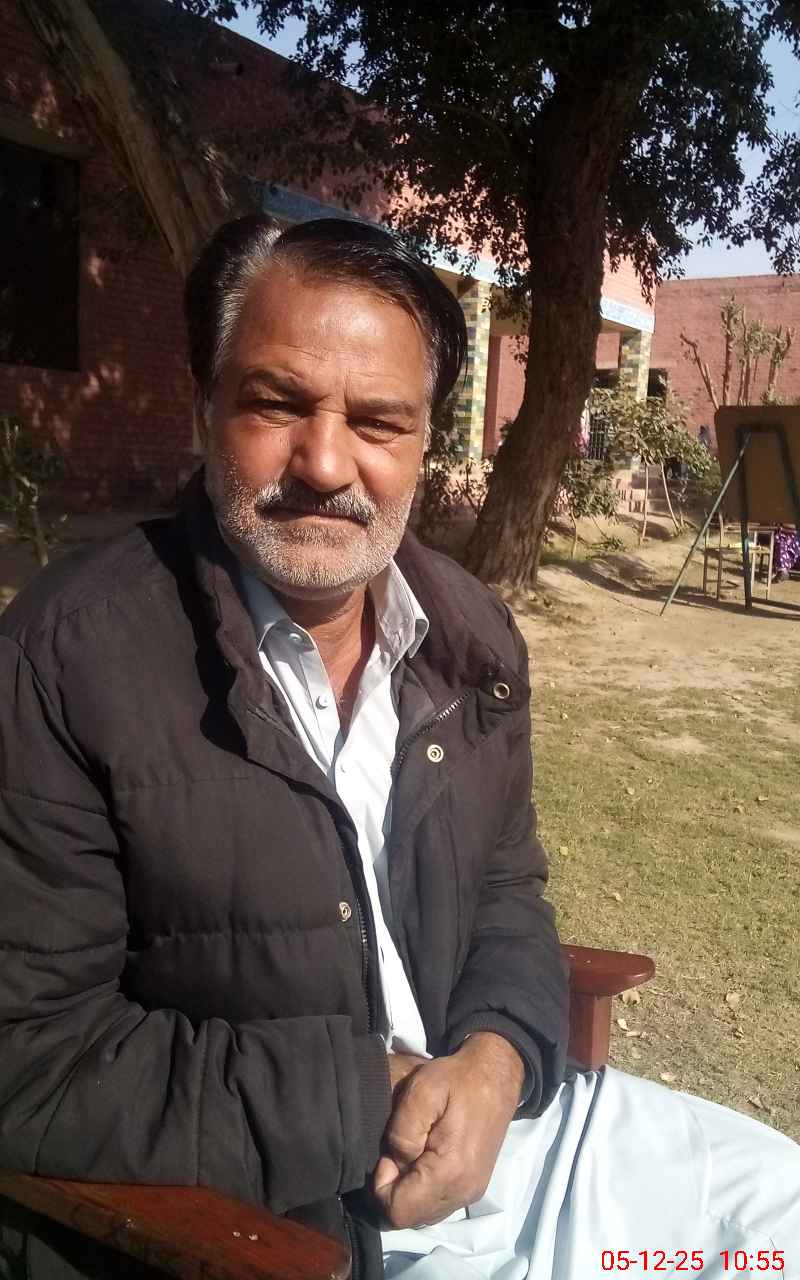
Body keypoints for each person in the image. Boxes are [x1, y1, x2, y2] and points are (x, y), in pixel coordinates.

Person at [0, 216, 797, 1280]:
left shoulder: (470, 635)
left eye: (378, 420)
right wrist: (362, 1094)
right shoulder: (64, 663)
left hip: (520, 1134)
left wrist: (500, 1055)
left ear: (426, 441)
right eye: (276, 403)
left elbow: (507, 889)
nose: (326, 462)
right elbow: (29, 1054)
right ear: (204, 406)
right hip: (302, 1215)